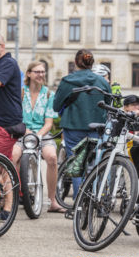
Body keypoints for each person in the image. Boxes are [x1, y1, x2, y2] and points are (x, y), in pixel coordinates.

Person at [53, 49, 111, 199]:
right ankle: (96, 199)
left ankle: (80, 202)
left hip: (73, 127)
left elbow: (56, 106)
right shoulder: (102, 82)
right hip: (97, 129)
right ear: (91, 63)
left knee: (76, 165)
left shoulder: (67, 81)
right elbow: (109, 104)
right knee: (95, 164)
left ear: (76, 62)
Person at [10, 62, 64, 213]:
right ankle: (15, 195)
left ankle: (52, 201)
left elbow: (49, 122)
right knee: (13, 156)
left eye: (43, 72)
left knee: (52, 157)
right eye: (37, 72)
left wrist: (37, 136)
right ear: (28, 74)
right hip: (22, 132)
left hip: (42, 133)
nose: (41, 74)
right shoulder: (20, 93)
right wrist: (26, 132)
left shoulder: (49, 94)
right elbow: (15, 118)